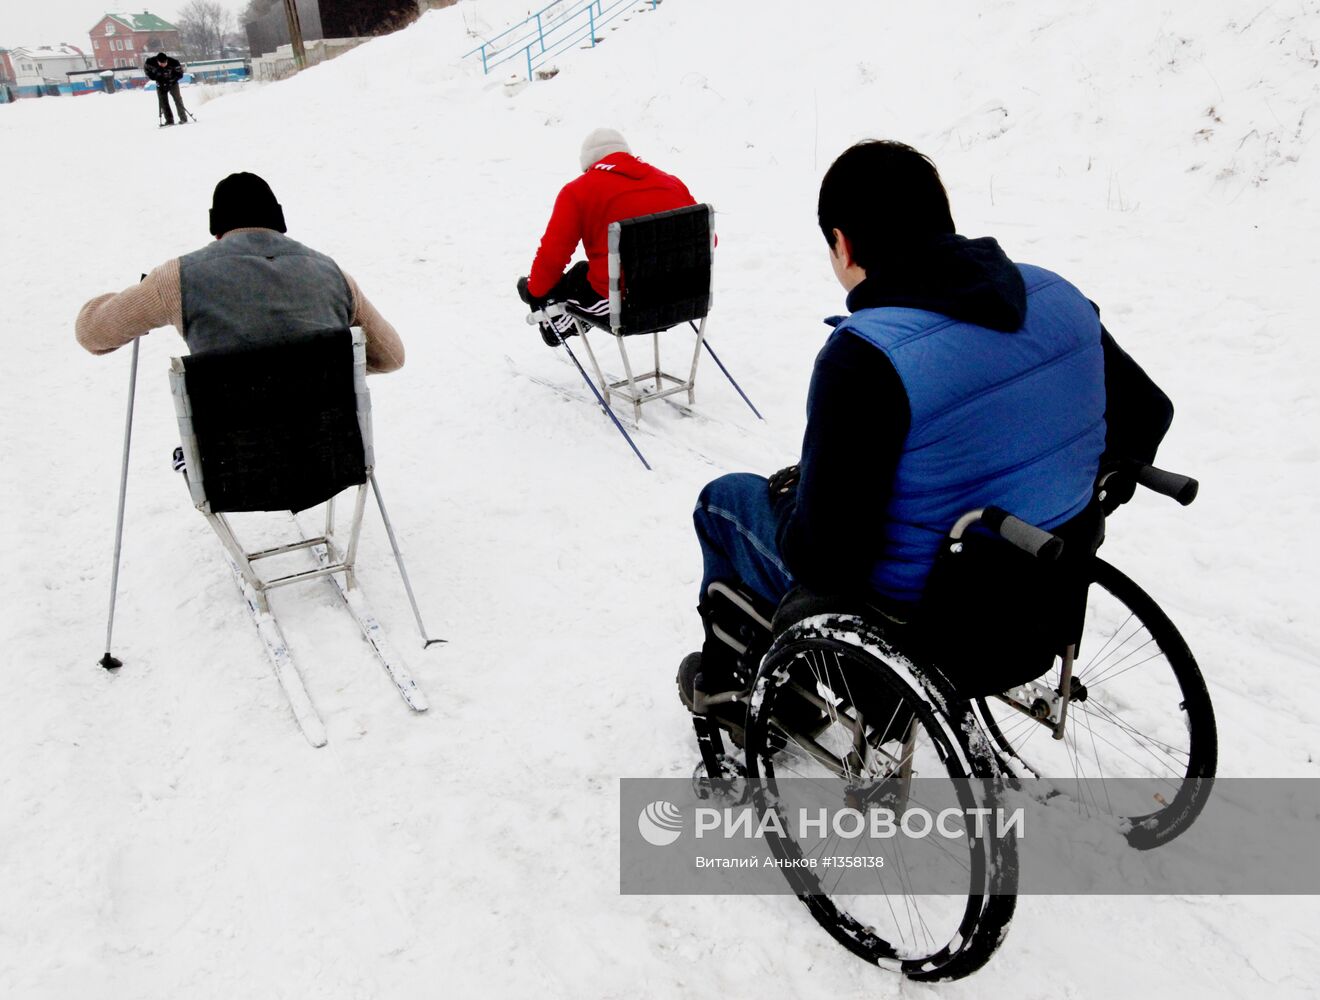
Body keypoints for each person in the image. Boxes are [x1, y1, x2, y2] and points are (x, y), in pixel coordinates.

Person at [677, 139, 1173, 724]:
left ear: (842, 242)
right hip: (1048, 593)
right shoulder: (1060, 296)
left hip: (922, 626)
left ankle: (756, 690)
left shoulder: (866, 357)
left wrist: (792, 501)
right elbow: (1148, 413)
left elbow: (829, 559)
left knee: (725, 502)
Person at [76, 171, 404, 373]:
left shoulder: (177, 279)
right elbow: (391, 356)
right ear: (279, 224)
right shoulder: (334, 275)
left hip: (230, 472)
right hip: (330, 460)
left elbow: (92, 334)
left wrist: (131, 297)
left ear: (217, 229)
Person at [516, 127, 700, 346]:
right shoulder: (671, 182)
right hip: (686, 299)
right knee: (591, 274)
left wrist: (534, 292)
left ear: (589, 164)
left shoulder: (578, 192)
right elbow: (709, 240)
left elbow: (552, 255)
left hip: (628, 307)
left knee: (574, 280)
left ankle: (554, 326)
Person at [144, 51, 188, 125]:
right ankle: (169, 120)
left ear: (167, 60)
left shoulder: (174, 63)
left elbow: (180, 75)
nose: (163, 65)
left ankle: (183, 118)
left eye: (165, 63)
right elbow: (147, 71)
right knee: (163, 101)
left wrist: (171, 80)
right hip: (160, 83)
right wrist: (155, 77)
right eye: (161, 64)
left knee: (178, 99)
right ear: (157, 61)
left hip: (172, 83)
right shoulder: (150, 62)